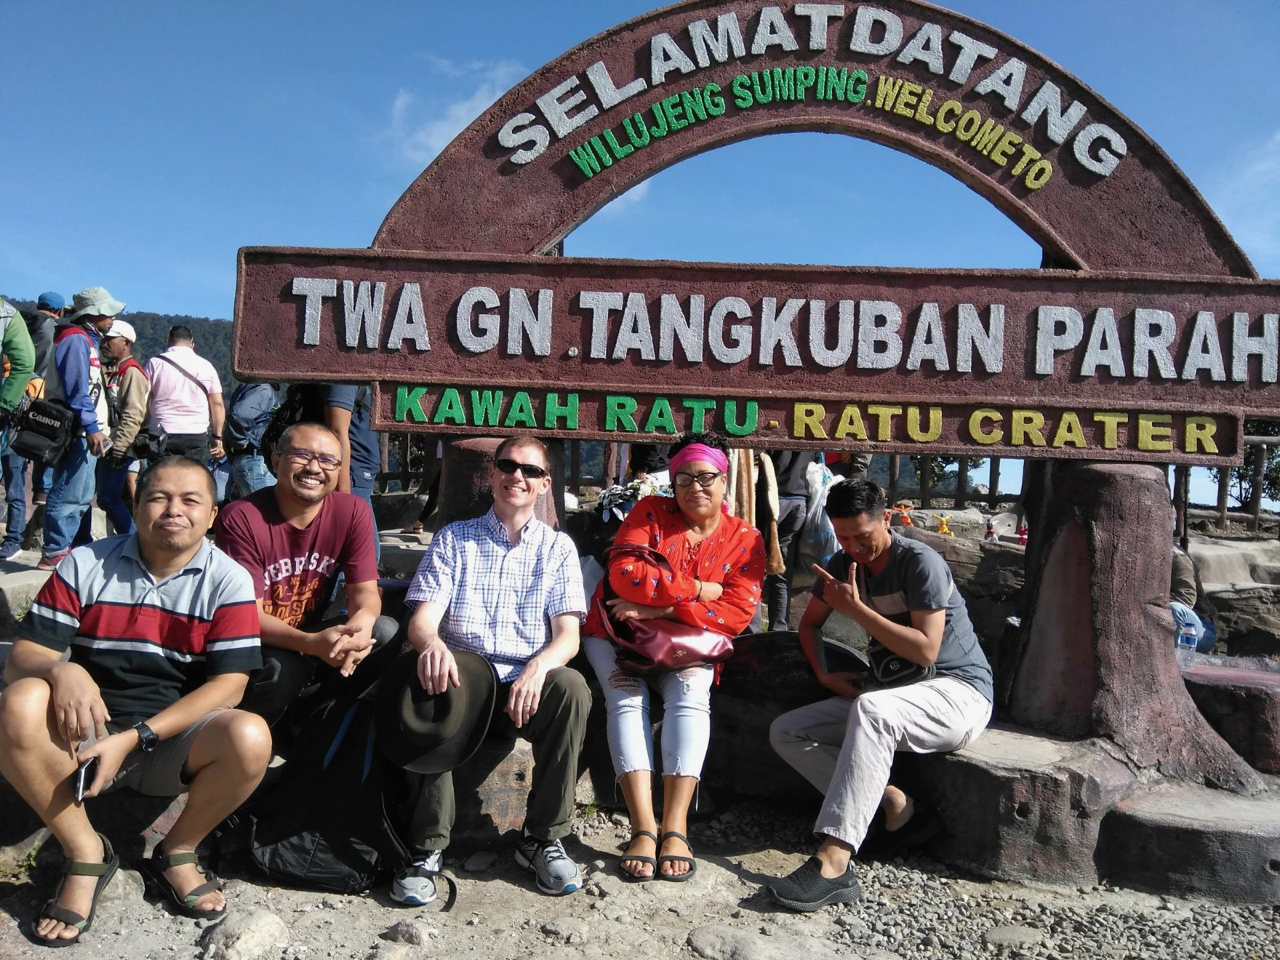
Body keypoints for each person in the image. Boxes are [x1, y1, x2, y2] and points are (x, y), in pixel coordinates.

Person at [0, 456, 269, 945]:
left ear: (212, 515)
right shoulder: (86, 563)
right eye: (159, 497)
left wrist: (134, 738)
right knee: (21, 698)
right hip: (81, 736)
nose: (174, 510)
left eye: (192, 500)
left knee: (250, 734)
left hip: (169, 741)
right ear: (135, 502)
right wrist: (62, 669)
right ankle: (85, 854)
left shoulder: (229, 580)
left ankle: (179, 850)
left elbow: (229, 687)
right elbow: (24, 657)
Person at [767, 479, 993, 911]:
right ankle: (893, 802)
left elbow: (926, 648)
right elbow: (808, 625)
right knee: (788, 731)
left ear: (885, 519)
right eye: (843, 537)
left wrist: (856, 610)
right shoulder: (839, 563)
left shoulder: (919, 562)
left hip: (957, 693)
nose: (854, 548)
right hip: (893, 696)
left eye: (863, 536)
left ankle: (834, 861)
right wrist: (826, 674)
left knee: (872, 708)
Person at [398, 435, 589, 903]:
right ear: (491, 475)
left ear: (545, 484)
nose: (516, 477)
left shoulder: (558, 548)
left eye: (529, 471)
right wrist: (432, 644)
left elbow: (568, 636)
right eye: (507, 466)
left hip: (525, 681)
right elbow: (421, 622)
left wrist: (537, 667)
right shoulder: (454, 539)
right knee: (432, 678)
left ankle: (543, 837)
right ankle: (427, 848)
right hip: (466, 678)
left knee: (572, 688)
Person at [583, 432, 765, 881]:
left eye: (706, 477)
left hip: (689, 643)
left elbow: (738, 613)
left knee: (692, 693)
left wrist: (663, 605)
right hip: (617, 632)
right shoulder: (650, 512)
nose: (694, 487)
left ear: (725, 481)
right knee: (625, 699)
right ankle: (643, 825)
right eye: (683, 477)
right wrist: (701, 589)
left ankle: (676, 825)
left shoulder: (747, 539)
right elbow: (625, 575)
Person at [213, 422, 396, 729]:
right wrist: (311, 643)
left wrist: (360, 627)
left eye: (327, 460)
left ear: (339, 469)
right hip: (257, 642)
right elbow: (247, 617)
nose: (314, 468)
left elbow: (364, 592)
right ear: (275, 461)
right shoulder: (242, 517)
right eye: (301, 455)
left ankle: (317, 725)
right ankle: (247, 744)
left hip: (313, 633)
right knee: (283, 667)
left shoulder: (353, 512)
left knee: (385, 632)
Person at [40, 287, 121, 568]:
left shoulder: (85, 339)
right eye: (107, 312)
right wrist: (91, 426)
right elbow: (78, 388)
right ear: (93, 313)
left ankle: (65, 546)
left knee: (82, 493)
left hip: (84, 429)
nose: (112, 318)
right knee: (69, 490)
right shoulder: (76, 339)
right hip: (77, 429)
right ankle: (55, 549)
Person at [96, 320, 150, 535]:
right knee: (103, 497)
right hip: (108, 443)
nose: (105, 343)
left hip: (119, 445)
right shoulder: (112, 370)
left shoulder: (132, 372)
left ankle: (132, 539)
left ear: (126, 343)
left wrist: (119, 447)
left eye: (110, 339)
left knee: (109, 498)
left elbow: (133, 413)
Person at [144, 325, 225, 463]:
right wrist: (217, 437)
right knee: (193, 480)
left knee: (162, 480)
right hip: (196, 432)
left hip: (161, 431)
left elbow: (144, 399)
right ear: (192, 344)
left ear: (168, 341)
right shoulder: (206, 366)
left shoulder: (155, 363)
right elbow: (217, 403)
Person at [757, 450, 815, 631]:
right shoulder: (808, 433)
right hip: (799, 500)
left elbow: (773, 464)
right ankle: (779, 628)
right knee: (782, 570)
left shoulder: (777, 429)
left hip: (773, 499)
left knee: (754, 567)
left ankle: (752, 630)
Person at [0, 297, 38, 558]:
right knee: (14, 489)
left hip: (13, 439)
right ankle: (12, 538)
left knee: (14, 490)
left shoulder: (29, 380)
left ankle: (13, 537)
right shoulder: (24, 373)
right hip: (12, 438)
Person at [223, 381, 278, 497]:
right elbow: (241, 416)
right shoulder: (262, 388)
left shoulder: (252, 387)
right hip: (256, 460)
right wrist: (240, 443)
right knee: (265, 511)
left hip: (249, 461)